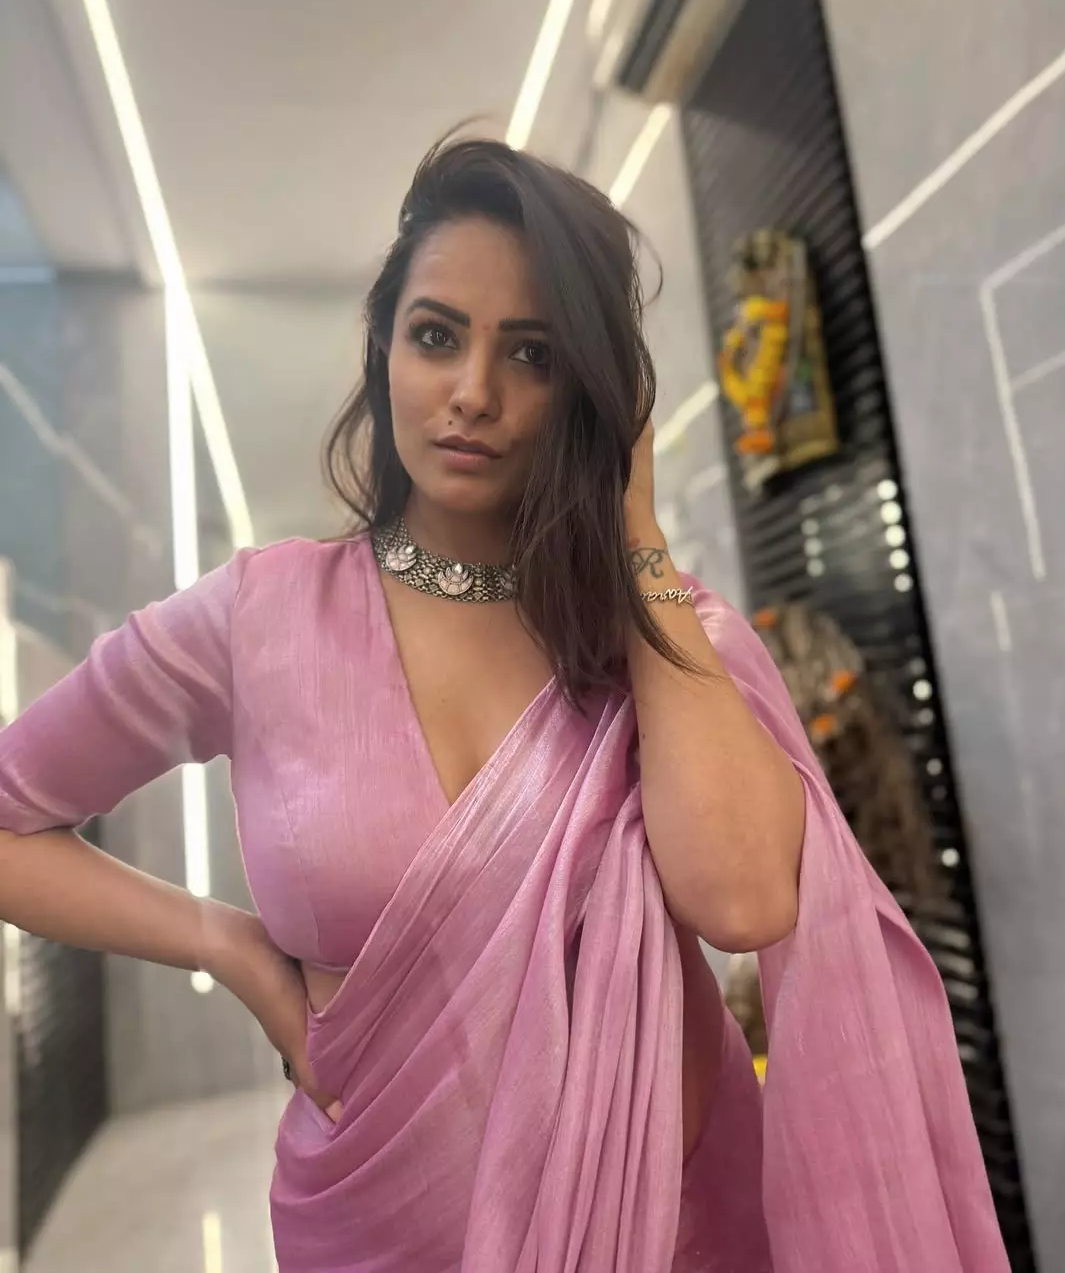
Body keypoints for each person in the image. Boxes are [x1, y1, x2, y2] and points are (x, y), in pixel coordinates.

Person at [0, 138, 1007, 1272]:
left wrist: (635, 535)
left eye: (532, 353)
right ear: (383, 347)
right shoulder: (257, 620)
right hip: (382, 1232)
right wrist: (225, 943)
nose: (474, 393)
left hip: (680, 1227)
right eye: (437, 336)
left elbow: (742, 898)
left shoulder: (663, 631)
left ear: (590, 389)